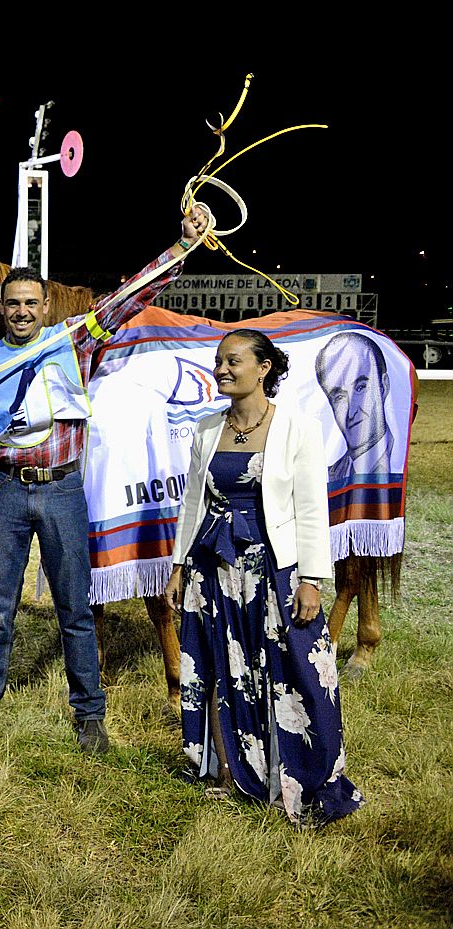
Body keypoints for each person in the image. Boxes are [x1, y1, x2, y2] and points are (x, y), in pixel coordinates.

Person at [0, 208, 209, 753]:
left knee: (75, 609)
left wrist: (181, 248)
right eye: (12, 304)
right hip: (8, 494)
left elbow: (129, 297)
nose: (20, 312)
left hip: (64, 490)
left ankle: (90, 714)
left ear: (44, 308)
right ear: (4, 308)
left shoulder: (73, 340)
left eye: (30, 304)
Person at [163, 329, 362, 825]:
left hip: (276, 571)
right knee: (220, 669)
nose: (222, 369)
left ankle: (296, 775)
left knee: (295, 672)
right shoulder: (207, 428)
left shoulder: (298, 428)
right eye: (218, 361)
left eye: (233, 361)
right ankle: (229, 773)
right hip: (216, 571)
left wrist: (312, 579)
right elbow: (193, 504)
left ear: (264, 368)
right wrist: (178, 565)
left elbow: (312, 510)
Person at [315, 331, 395, 481]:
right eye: (339, 397)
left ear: (383, 386)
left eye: (360, 388)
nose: (351, 411)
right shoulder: (327, 476)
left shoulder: (396, 459)